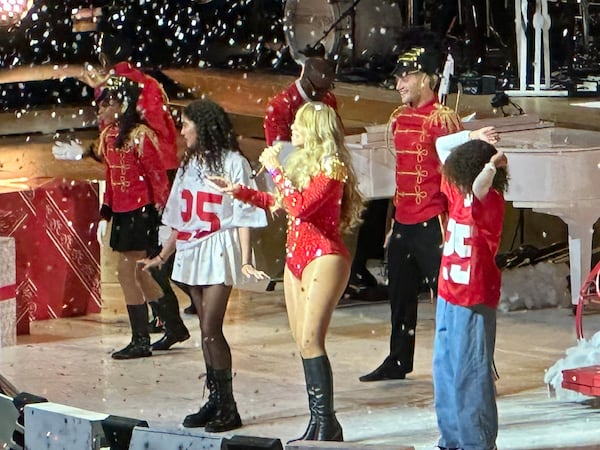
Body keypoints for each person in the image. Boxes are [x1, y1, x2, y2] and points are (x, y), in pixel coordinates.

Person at [209, 101, 364, 442]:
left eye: (299, 124)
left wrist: (274, 166)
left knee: (312, 339)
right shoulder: (303, 165)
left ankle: (328, 423)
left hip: (324, 255)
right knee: (302, 341)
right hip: (296, 257)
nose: (292, 128)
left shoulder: (333, 166)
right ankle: (320, 422)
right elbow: (280, 202)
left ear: (316, 129)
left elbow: (301, 208)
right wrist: (240, 192)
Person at [359, 45, 499, 382]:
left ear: (425, 78)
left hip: (433, 223)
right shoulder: (398, 119)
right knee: (400, 297)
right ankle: (398, 360)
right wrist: (392, 224)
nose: (398, 85)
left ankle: (476, 367)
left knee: (453, 299)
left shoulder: (441, 119)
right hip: (404, 222)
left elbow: (455, 168)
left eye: (404, 77)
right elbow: (400, 177)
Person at [139, 99, 268, 433]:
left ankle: (229, 407)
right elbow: (179, 216)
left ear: (203, 125)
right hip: (192, 248)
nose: (182, 131)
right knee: (205, 333)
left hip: (218, 248)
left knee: (211, 329)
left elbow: (244, 216)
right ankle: (214, 400)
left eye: (185, 124)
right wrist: (162, 257)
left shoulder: (234, 163)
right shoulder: (189, 164)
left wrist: (246, 259)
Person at [432, 139, 508, 450]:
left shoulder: (489, 200)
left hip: (473, 298)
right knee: (445, 371)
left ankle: (477, 443)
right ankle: (451, 440)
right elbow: (440, 147)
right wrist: (471, 133)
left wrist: (493, 163)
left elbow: (480, 185)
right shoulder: (457, 191)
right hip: (448, 296)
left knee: (471, 375)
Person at [95, 77, 171, 360]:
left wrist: (164, 214)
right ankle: (173, 326)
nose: (101, 111)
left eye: (106, 105)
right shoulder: (108, 137)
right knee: (139, 272)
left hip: (141, 212)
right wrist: (105, 214)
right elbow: (111, 179)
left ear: (120, 105)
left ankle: (140, 340)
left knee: (127, 273)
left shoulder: (140, 135)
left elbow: (157, 177)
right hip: (123, 212)